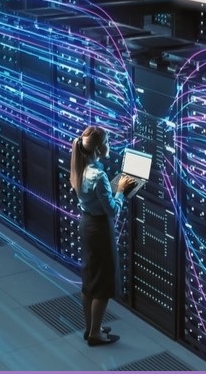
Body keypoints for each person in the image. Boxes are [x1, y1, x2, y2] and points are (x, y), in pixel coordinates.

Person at [70, 125, 137, 347]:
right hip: (100, 229)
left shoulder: (79, 168)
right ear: (99, 148)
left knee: (90, 279)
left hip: (86, 224)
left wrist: (114, 185)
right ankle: (96, 335)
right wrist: (121, 189)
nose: (109, 145)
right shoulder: (98, 176)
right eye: (107, 141)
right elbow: (112, 209)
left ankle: (90, 328)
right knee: (103, 284)